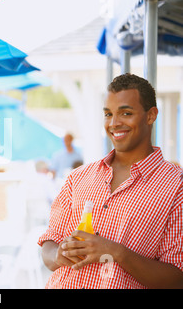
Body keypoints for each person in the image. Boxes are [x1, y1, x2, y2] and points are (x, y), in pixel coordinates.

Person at [37, 73, 183, 289]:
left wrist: (116, 252)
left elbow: (176, 278)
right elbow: (49, 244)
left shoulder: (176, 186)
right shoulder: (78, 178)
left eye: (126, 113)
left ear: (151, 115)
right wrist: (59, 254)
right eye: (108, 114)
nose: (114, 123)